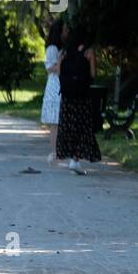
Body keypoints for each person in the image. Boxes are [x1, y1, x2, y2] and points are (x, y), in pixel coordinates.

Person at [55, 24, 101, 173]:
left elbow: (58, 71)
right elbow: (93, 74)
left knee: (68, 128)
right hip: (82, 96)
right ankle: (75, 160)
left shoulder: (64, 52)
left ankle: (72, 159)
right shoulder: (88, 52)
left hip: (67, 96)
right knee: (82, 128)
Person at [40, 19, 65, 162]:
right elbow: (51, 69)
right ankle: (55, 151)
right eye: (64, 30)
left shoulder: (62, 48)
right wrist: (61, 61)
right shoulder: (52, 49)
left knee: (61, 120)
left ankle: (61, 150)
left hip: (61, 84)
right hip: (55, 85)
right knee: (55, 121)